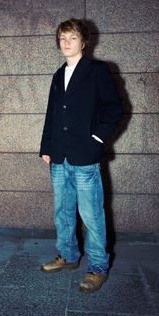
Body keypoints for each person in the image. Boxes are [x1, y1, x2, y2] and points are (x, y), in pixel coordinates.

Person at [39, 18, 123, 293]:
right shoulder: (56, 75)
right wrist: (46, 148)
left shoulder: (97, 71)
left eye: (72, 38)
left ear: (84, 42)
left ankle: (98, 267)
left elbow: (114, 108)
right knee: (62, 213)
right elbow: (52, 115)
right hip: (59, 157)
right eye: (62, 38)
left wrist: (96, 139)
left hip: (85, 158)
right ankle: (68, 256)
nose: (66, 42)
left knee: (91, 215)